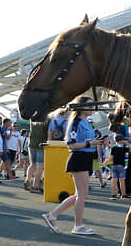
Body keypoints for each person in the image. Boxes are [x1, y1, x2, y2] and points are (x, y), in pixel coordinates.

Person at [41, 96, 102, 235]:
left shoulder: (85, 122)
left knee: (80, 194)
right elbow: (71, 144)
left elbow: (85, 141)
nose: (92, 107)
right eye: (89, 105)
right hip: (79, 158)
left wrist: (95, 142)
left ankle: (52, 215)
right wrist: (90, 143)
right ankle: (78, 226)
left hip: (86, 158)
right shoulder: (75, 122)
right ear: (80, 107)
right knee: (81, 195)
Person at [26, 119, 48, 192]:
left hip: (31, 142)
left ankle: (27, 180)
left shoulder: (33, 118)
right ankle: (35, 186)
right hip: (41, 144)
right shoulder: (47, 119)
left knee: (32, 164)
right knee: (40, 166)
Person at [108, 134, 131, 199]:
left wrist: (109, 164)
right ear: (121, 141)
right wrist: (127, 144)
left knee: (114, 180)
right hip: (121, 166)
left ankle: (113, 194)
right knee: (122, 180)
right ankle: (123, 194)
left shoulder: (113, 148)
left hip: (114, 165)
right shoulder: (123, 148)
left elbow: (111, 157)